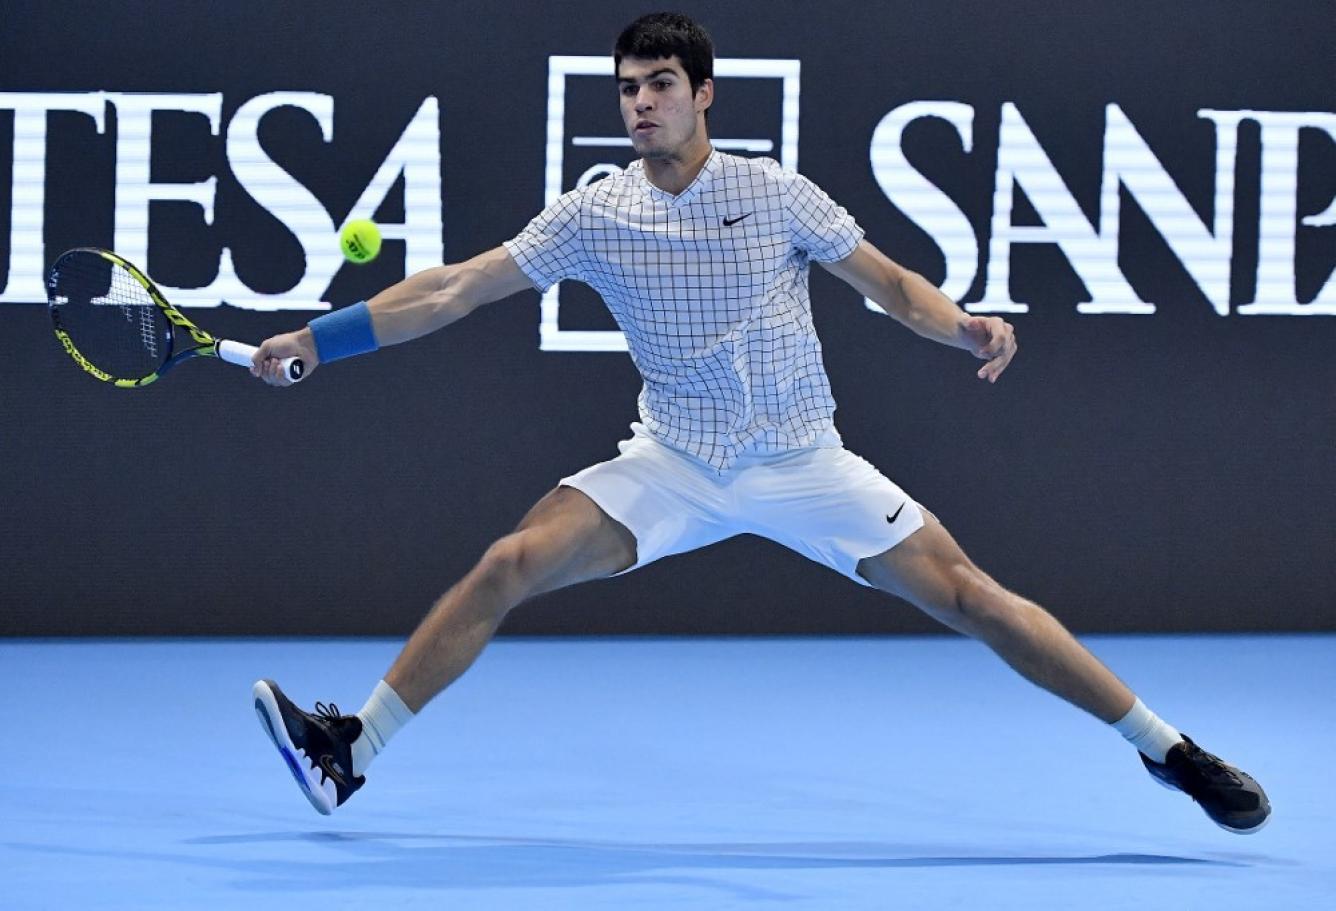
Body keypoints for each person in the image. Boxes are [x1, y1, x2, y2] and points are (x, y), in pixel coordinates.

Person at [248, 12, 1269, 833]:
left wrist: (962, 326)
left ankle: (1169, 749)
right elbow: (453, 289)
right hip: (673, 460)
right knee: (509, 561)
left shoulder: (773, 193)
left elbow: (891, 285)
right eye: (627, 88)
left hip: (803, 458)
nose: (640, 103)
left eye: (659, 85)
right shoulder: (596, 212)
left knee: (976, 598)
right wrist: (317, 340)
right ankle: (353, 749)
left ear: (703, 94)